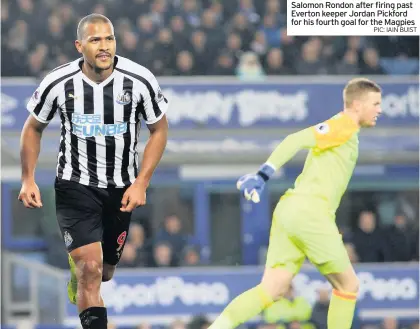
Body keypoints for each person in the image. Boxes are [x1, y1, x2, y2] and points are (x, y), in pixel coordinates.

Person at [18, 14, 169, 329]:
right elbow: (33, 128)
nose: (104, 47)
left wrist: (141, 183)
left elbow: (159, 130)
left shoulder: (139, 80)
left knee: (105, 272)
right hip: (76, 186)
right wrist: (28, 178)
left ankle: (82, 272)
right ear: (79, 46)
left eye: (109, 39)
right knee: (90, 269)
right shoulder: (58, 83)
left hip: (121, 189)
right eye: (95, 40)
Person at [208, 78, 382, 329]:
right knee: (348, 286)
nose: (379, 109)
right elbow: (295, 139)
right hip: (310, 213)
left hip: (290, 210)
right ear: (356, 105)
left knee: (271, 289)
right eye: (375, 103)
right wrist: (263, 174)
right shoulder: (343, 125)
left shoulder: (345, 130)